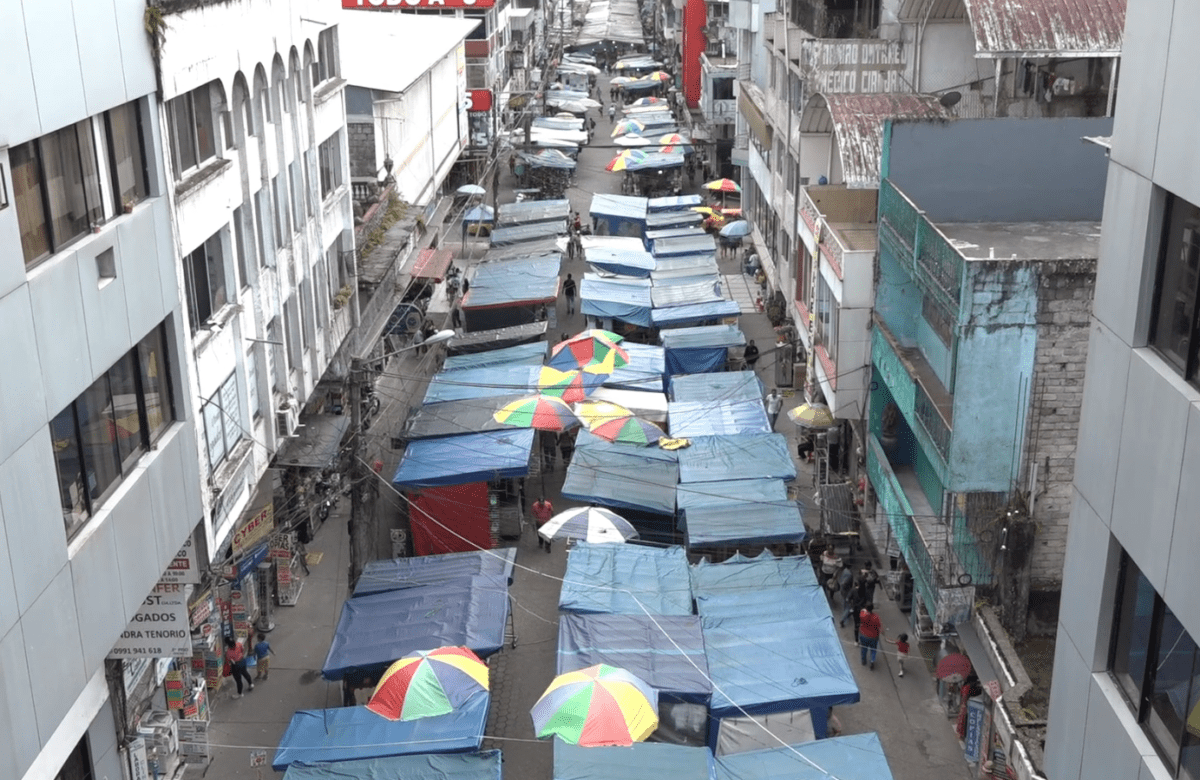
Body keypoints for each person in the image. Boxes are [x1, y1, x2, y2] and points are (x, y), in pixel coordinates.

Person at [859, 603, 882, 669]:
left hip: (864, 635)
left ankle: (863, 660)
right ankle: (872, 661)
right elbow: (879, 626)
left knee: (864, 648)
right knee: (873, 649)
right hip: (873, 636)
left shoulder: (863, 615)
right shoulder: (876, 617)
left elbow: (862, 611)